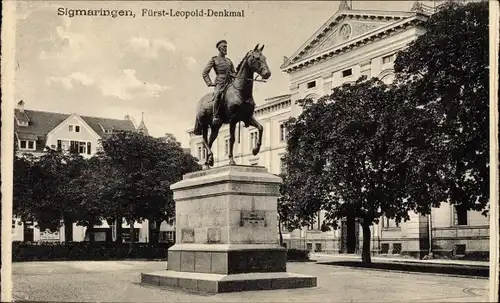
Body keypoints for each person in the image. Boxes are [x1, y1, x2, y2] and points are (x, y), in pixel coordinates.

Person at [202, 40, 236, 125]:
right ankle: (215, 116)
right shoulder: (214, 60)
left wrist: (235, 76)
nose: (226, 49)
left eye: (226, 47)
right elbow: (205, 73)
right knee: (217, 95)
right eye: (224, 47)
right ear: (220, 48)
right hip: (220, 82)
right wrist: (209, 83)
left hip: (230, 82)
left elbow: (234, 73)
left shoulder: (229, 61)